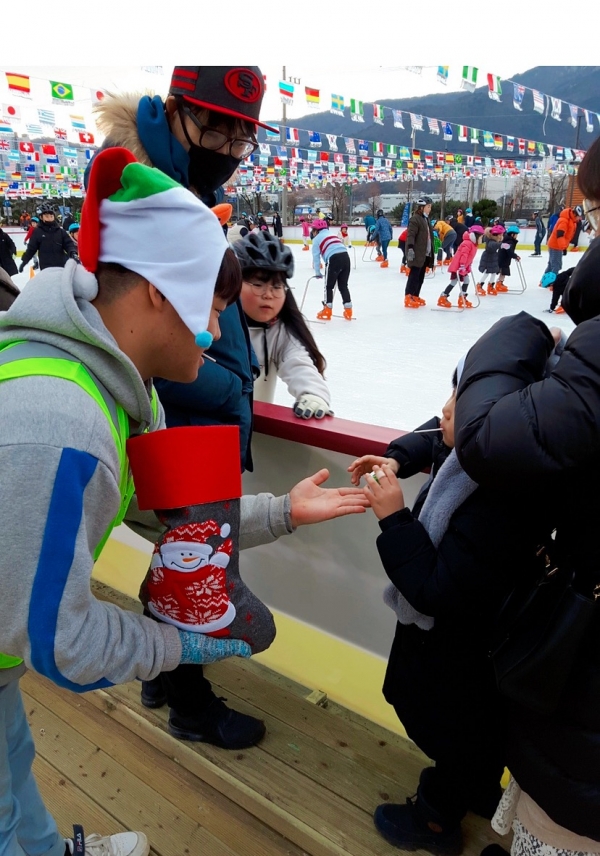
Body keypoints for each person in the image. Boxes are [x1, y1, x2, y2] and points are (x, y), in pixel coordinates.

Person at [0, 147, 370, 856]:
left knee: (14, 769)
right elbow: (62, 645)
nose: (222, 333)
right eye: (216, 307)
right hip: (13, 641)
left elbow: (178, 518)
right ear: (158, 292)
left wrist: (283, 510)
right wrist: (183, 643)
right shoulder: (60, 424)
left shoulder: (111, 393)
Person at [454, 136, 600, 856]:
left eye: (595, 217)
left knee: (567, 801)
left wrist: (503, 345)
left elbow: (492, 439)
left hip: (585, 653)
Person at [347, 370, 548, 856]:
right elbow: (433, 435)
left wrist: (394, 518)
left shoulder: (498, 503)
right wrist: (396, 457)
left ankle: (436, 816)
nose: (444, 409)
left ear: (486, 422)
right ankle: (476, 787)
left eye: (458, 402)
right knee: (474, 726)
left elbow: (435, 588)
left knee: (447, 723)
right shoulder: (497, 456)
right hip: (481, 646)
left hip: (455, 644)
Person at [92, 65, 277, 475]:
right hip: (176, 425)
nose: (226, 154)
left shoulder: (199, 187)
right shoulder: (130, 186)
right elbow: (128, 332)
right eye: (214, 134)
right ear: (176, 109)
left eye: (241, 142)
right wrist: (234, 386)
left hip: (208, 422)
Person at [235, 231, 332, 419]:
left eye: (277, 286)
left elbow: (298, 362)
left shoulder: (279, 332)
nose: (268, 294)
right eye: (258, 284)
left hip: (252, 436)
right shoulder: (215, 326)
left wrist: (313, 393)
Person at [311, 218, 353, 321]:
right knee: (343, 285)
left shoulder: (316, 239)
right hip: (346, 257)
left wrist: (317, 272)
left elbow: (316, 258)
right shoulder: (332, 234)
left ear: (316, 230)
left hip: (333, 259)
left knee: (329, 286)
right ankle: (348, 310)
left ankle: (327, 310)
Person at [18, 203, 78, 272]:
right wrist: (24, 262)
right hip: (46, 268)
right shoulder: (37, 232)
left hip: (61, 266)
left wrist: (73, 252)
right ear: (41, 217)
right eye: (46, 216)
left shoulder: (60, 231)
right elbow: (31, 249)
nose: (49, 219)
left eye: (51, 216)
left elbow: (68, 244)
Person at [437, 225, 484, 309]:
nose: (481, 239)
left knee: (466, 280)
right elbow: (464, 255)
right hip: (458, 267)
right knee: (454, 282)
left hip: (463, 267)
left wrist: (468, 266)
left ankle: (462, 297)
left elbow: (470, 257)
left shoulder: (473, 244)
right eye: (480, 237)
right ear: (475, 236)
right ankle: (443, 297)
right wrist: (462, 265)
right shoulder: (467, 243)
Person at [404, 197, 435, 309]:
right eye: (428, 207)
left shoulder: (426, 219)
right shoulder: (415, 219)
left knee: (421, 276)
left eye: (430, 207)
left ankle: (416, 295)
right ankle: (408, 296)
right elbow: (410, 235)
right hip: (417, 251)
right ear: (422, 207)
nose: (429, 209)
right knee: (414, 275)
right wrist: (410, 248)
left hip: (425, 252)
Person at [543, 206, 581, 283]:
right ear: (575, 214)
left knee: (552, 264)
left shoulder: (571, 221)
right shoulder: (564, 221)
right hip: (555, 245)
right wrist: (563, 247)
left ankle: (544, 281)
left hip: (557, 245)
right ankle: (552, 283)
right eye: (579, 217)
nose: (580, 219)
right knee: (556, 266)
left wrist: (564, 247)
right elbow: (560, 234)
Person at [475, 224, 504, 296]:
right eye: (500, 235)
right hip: (487, 258)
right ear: (495, 235)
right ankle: (479, 285)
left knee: (494, 272)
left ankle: (491, 286)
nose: (501, 237)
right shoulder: (490, 241)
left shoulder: (494, 240)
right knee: (487, 272)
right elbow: (493, 245)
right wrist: (501, 245)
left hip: (493, 257)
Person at [495, 223, 521, 292]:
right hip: (503, 259)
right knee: (503, 272)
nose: (517, 236)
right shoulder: (510, 242)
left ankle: (499, 283)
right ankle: (499, 284)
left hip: (503, 259)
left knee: (502, 272)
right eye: (516, 234)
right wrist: (515, 256)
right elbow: (510, 251)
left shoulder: (508, 240)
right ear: (512, 235)